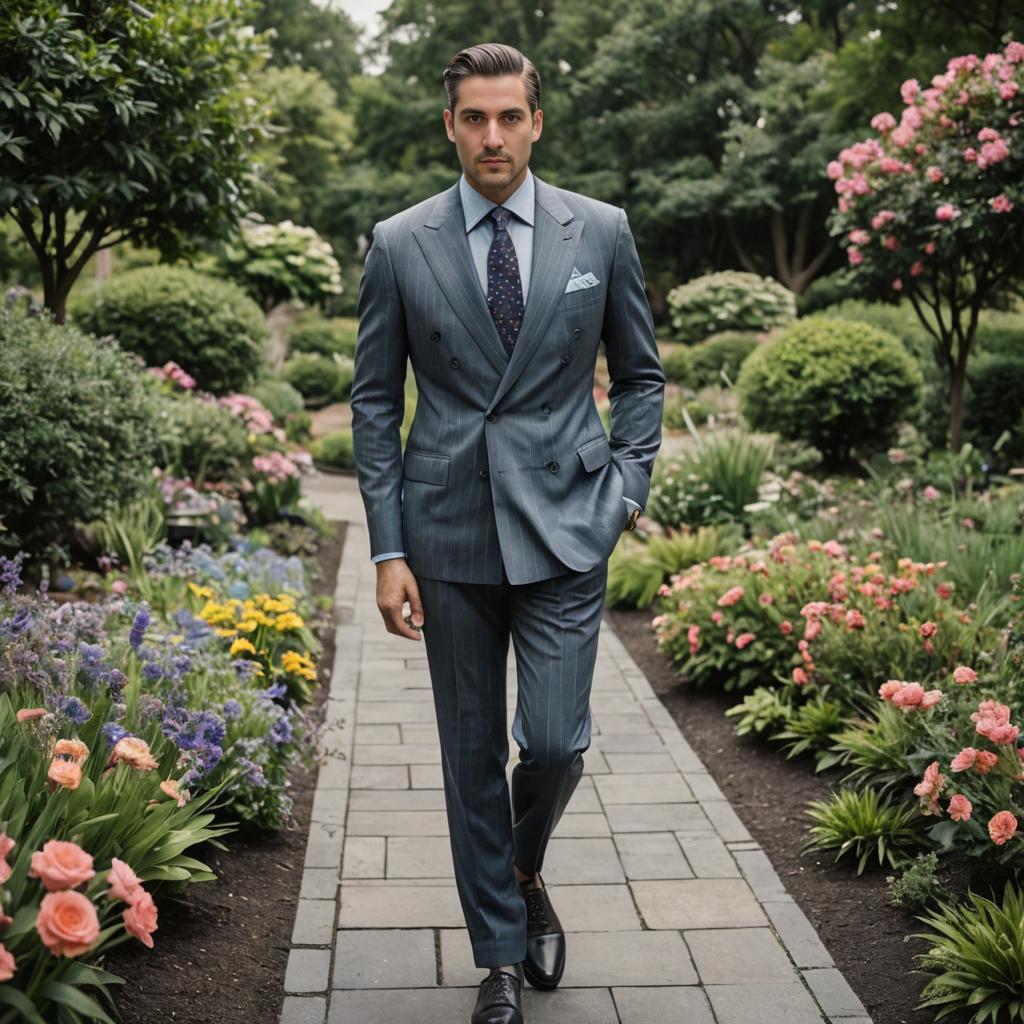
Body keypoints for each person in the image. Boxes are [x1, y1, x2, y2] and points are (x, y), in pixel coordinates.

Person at [350, 41, 664, 1024]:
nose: (493, 135)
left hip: (570, 524)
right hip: (446, 536)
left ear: (535, 121)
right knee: (470, 750)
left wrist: (624, 487)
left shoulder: (600, 232)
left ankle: (521, 869)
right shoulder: (399, 242)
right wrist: (388, 548)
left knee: (559, 741)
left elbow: (642, 375)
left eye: (509, 116)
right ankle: (495, 955)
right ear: (448, 124)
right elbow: (371, 402)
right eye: (473, 118)